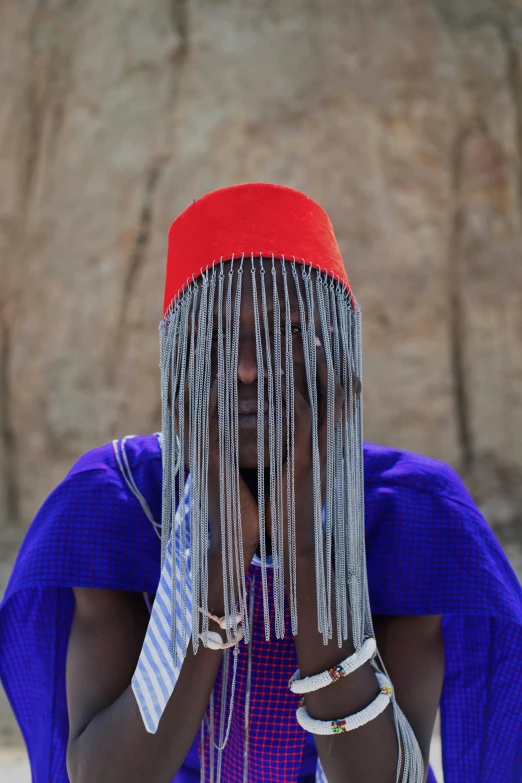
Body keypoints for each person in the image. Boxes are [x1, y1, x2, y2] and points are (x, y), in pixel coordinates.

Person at [0, 183, 521, 783]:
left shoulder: (411, 513)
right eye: (218, 335)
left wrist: (306, 543)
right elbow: (108, 776)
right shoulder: (118, 501)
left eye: (291, 329)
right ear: (175, 365)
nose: (248, 365)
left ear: (340, 360)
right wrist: (220, 559)